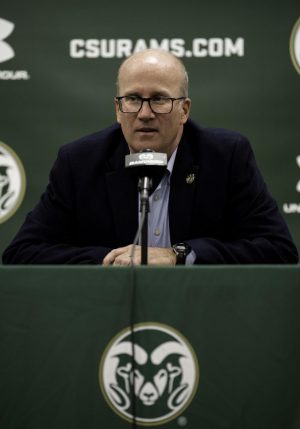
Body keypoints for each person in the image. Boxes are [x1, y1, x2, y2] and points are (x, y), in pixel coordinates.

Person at [2, 49, 298, 265]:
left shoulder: (225, 156)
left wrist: (180, 255)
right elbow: (22, 253)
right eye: (132, 99)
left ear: (184, 110)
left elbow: (278, 250)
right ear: (118, 109)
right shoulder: (79, 162)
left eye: (159, 99)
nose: (144, 114)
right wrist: (110, 259)